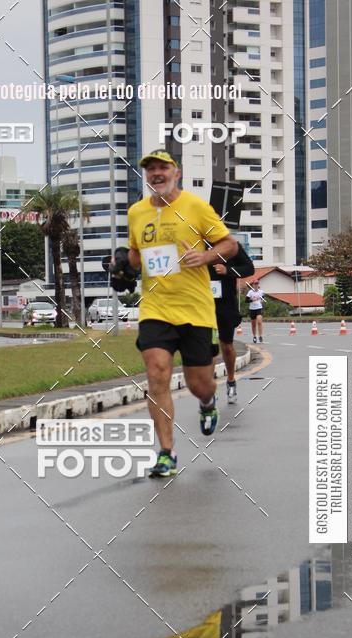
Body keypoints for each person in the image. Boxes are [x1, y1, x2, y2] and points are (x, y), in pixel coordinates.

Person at [125, 149, 238, 478]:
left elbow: (229, 244)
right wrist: (123, 264)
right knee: (157, 372)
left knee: (199, 384)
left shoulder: (195, 207)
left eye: (163, 168)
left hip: (195, 310)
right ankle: (166, 452)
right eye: (151, 169)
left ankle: (207, 403)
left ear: (177, 172)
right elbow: (135, 254)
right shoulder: (136, 213)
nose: (157, 174)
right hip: (155, 307)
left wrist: (205, 258)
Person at [209, 244, 255, 404]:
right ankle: (209, 389)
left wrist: (228, 270)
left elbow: (249, 268)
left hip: (226, 304)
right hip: (203, 303)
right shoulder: (197, 244)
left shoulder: (230, 246)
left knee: (226, 346)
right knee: (209, 347)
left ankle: (230, 380)